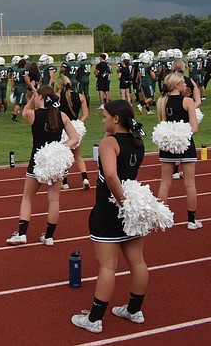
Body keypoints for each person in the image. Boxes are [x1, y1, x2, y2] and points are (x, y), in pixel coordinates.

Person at [71, 100, 149, 334]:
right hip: (133, 208)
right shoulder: (137, 141)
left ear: (116, 119)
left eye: (105, 117)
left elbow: (112, 176)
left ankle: (94, 319)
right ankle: (134, 311)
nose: (103, 120)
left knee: (107, 266)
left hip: (111, 209)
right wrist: (130, 206)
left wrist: (122, 203)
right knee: (138, 262)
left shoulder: (109, 143)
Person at [6, 86, 79, 246]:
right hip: (55, 163)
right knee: (54, 199)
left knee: (27, 197)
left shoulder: (33, 115)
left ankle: (22, 234)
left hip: (37, 162)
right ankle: (49, 237)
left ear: (40, 98)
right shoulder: (62, 115)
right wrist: (59, 149)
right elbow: (74, 138)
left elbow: (24, 111)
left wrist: (33, 95)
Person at [155, 72, 202, 229]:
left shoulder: (162, 101)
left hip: (167, 146)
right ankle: (191, 221)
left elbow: (162, 125)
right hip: (186, 145)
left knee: (165, 183)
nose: (185, 85)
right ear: (176, 85)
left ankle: (161, 219)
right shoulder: (188, 102)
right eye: (182, 83)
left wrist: (172, 138)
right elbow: (194, 128)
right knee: (189, 184)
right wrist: (182, 137)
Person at [56, 74, 91, 190]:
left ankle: (65, 182)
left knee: (63, 155)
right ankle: (85, 178)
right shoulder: (80, 96)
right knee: (78, 155)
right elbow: (86, 114)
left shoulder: (57, 97)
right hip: (76, 128)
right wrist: (77, 124)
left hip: (63, 129)